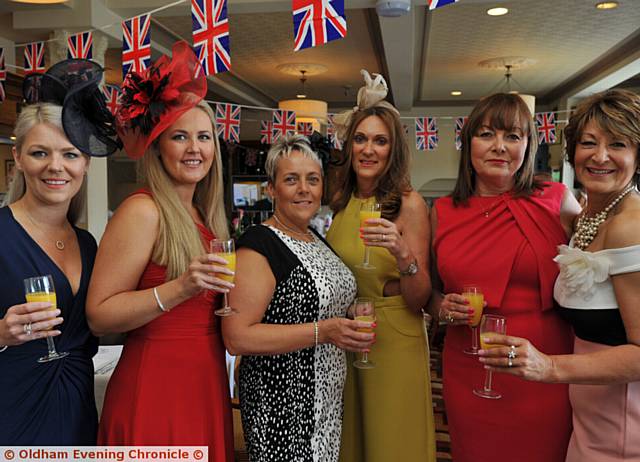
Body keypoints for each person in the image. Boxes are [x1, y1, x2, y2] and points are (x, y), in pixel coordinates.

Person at [86, 42, 234, 461]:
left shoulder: (205, 215)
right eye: (180, 137)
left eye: (203, 137)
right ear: (158, 147)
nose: (194, 148)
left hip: (204, 378)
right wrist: (180, 288)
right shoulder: (143, 210)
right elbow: (99, 315)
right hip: (156, 384)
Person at [480, 89, 640, 462]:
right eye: (588, 142)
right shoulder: (587, 215)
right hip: (589, 417)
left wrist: (549, 366)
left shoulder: (630, 226)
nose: (600, 156)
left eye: (617, 144)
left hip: (626, 424)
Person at [431, 92, 582, 462]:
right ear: (468, 145)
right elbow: (428, 296)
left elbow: (598, 262)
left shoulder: (558, 199)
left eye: (513, 136)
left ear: (528, 146)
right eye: (486, 134)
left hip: (543, 368)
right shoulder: (441, 210)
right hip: (470, 367)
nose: (499, 146)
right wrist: (442, 308)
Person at [222, 134, 373, 462]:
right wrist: (326, 331)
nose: (304, 189)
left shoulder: (316, 237)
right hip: (283, 405)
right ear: (272, 189)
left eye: (312, 179)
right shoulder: (259, 243)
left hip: (326, 398)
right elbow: (237, 336)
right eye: (291, 179)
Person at [0, 59, 120, 444]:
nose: (56, 166)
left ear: (85, 162)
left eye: (69, 154)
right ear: (18, 157)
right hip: (11, 410)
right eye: (40, 153)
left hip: (77, 412)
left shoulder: (87, 243)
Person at [326, 70, 436, 462]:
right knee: (353, 444)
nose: (368, 149)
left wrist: (403, 255)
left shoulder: (409, 204)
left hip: (393, 339)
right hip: (349, 337)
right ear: (349, 145)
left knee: (392, 444)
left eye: (380, 141)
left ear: (394, 150)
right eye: (360, 138)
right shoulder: (341, 199)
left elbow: (420, 299)